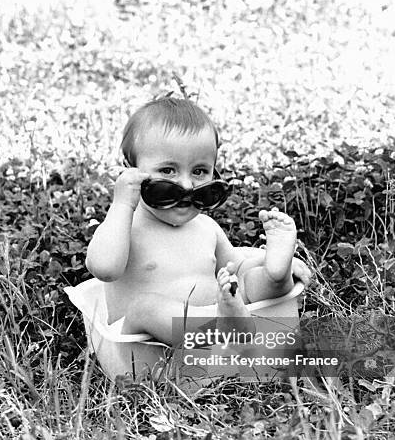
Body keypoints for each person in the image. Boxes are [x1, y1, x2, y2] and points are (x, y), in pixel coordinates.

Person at [85, 96, 310, 347]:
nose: (186, 185)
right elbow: (103, 268)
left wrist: (267, 263)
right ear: (131, 171)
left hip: (219, 317)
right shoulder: (125, 227)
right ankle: (221, 331)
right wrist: (121, 204)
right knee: (144, 307)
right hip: (143, 343)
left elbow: (235, 265)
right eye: (168, 170)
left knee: (244, 282)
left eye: (199, 171)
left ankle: (276, 277)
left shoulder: (206, 228)